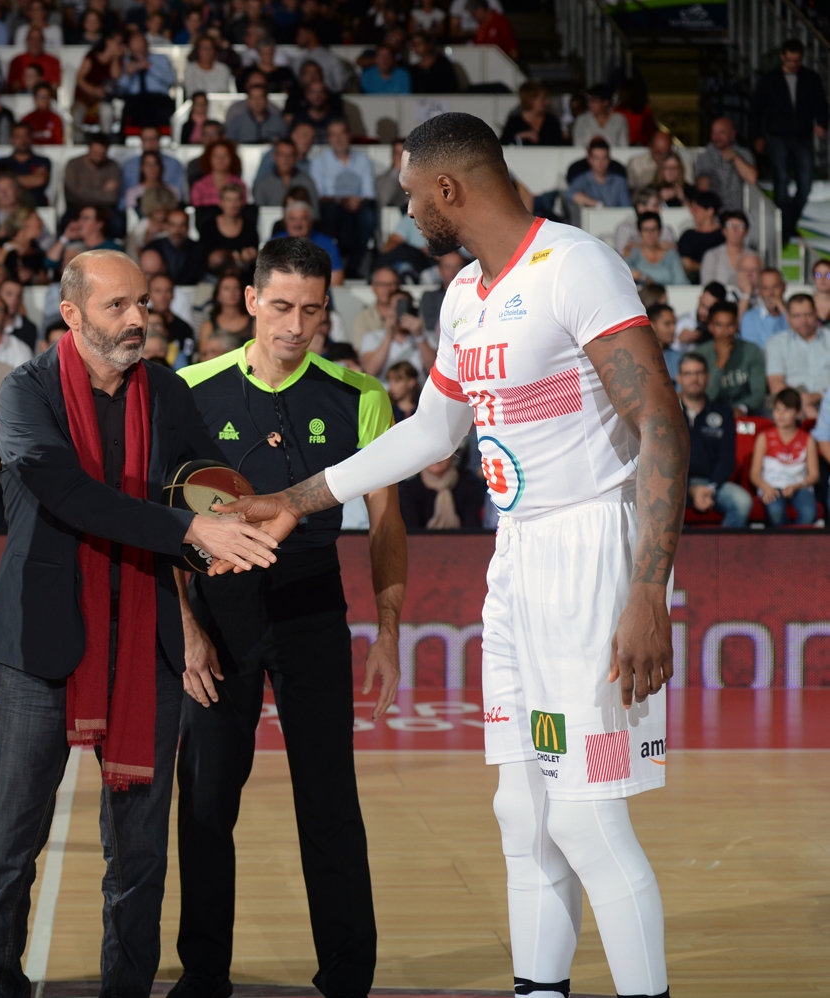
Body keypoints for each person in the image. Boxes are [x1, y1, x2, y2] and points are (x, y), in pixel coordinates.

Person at [218, 112, 684, 998]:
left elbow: (660, 417)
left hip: (592, 546)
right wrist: (297, 499)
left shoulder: (576, 266)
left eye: (407, 191)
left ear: (447, 189)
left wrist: (648, 589)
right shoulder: (465, 292)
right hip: (517, 555)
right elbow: (434, 429)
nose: (401, 207)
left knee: (586, 822)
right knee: (524, 814)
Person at [0, 248, 282, 998]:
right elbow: (72, 495)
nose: (139, 317)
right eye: (118, 306)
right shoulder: (25, 393)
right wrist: (187, 531)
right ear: (71, 315)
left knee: (140, 855)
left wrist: (242, 511)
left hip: (145, 647)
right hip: (39, 652)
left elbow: (208, 490)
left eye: (143, 302)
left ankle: (127, 990)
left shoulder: (166, 391)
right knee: (11, 842)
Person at [172, 237, 402, 998]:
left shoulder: (359, 396)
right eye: (280, 307)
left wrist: (389, 632)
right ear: (249, 302)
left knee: (330, 801)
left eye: (311, 309)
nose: (295, 325)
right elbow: (162, 520)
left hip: (312, 608)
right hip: (219, 611)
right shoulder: (189, 389)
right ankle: (203, 975)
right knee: (206, 803)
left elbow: (388, 524)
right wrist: (190, 631)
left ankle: (346, 978)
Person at [749, 39, 828, 245]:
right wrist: (757, 135)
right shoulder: (770, 80)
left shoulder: (811, 78)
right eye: (790, 60)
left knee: (806, 184)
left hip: (803, 138)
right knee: (781, 183)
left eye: (797, 60)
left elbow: (821, 104)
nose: (793, 64)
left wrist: (822, 124)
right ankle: (786, 229)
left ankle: (787, 225)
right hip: (778, 138)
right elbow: (756, 110)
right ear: (783, 57)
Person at [678, 352, 752, 527]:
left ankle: (723, 553)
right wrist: (690, 488)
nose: (694, 379)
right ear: (678, 378)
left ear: (707, 377)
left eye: (699, 373)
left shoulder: (723, 413)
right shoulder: (667, 413)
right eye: (688, 374)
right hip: (676, 485)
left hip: (714, 484)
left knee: (743, 502)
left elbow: (727, 459)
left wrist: (709, 489)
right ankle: (684, 553)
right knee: (659, 506)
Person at [309, 119, 376, 278]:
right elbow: (318, 196)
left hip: (357, 208)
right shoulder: (319, 161)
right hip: (331, 208)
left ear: (349, 135)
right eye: (333, 135)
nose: (338, 139)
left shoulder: (364, 161)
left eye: (342, 133)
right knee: (330, 211)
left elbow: (369, 193)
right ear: (328, 138)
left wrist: (357, 202)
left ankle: (352, 268)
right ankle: (329, 265)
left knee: (368, 215)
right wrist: (342, 200)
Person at [751, 387, 819, 526]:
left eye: (787, 410)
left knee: (809, 512)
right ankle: (782, 547)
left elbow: (814, 475)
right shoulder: (764, 437)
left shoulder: (808, 440)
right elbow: (754, 474)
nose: (781, 414)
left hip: (800, 488)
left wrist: (796, 486)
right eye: (777, 409)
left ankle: (797, 547)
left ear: (799, 413)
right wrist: (766, 487)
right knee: (775, 512)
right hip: (771, 487)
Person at [697, 298, 767, 417]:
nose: (726, 332)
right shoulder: (700, 354)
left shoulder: (751, 350)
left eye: (730, 325)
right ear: (710, 327)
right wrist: (720, 363)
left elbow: (759, 392)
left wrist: (742, 408)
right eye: (719, 325)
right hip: (709, 414)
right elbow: (703, 397)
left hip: (746, 413)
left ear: (737, 325)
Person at [766, 293, 830, 419]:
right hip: (792, 403)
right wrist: (804, 403)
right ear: (787, 317)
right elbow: (775, 384)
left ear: (816, 313)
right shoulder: (776, 343)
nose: (803, 321)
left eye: (808, 314)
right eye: (797, 316)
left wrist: (816, 396)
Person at [692, 116, 757, 215]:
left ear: (733, 134)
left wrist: (735, 157)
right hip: (715, 215)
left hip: (739, 214)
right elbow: (703, 190)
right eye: (713, 133)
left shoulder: (743, 153)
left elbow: (752, 178)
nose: (716, 137)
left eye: (721, 132)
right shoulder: (704, 157)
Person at [196, 183, 259, 274]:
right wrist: (239, 257)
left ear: (242, 203)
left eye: (237, 200)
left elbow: (254, 256)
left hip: (243, 276)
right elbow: (206, 259)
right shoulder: (208, 227)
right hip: (213, 277)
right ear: (221, 202)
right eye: (229, 200)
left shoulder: (249, 227)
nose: (233, 204)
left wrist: (250, 256)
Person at [146, 207, 208, 286]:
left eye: (182, 225)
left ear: (188, 226)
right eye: (173, 225)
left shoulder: (199, 249)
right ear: (166, 226)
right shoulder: (153, 248)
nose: (178, 230)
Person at [625, 212, 687, 287]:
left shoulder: (671, 255)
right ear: (639, 232)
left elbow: (681, 282)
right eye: (646, 230)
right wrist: (643, 277)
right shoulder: (633, 253)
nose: (650, 234)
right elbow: (625, 271)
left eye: (654, 229)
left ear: (660, 231)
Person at [567, 138, 631, 210]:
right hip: (589, 220)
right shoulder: (581, 179)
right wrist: (599, 205)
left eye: (604, 158)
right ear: (589, 160)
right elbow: (570, 194)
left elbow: (627, 208)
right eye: (596, 158)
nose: (600, 163)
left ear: (609, 159)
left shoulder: (620, 182)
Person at [254, 136, 317, 208]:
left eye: (289, 155)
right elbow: (259, 213)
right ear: (275, 157)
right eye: (282, 155)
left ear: (296, 157)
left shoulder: (307, 181)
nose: (285, 159)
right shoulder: (263, 183)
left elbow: (314, 213)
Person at [739, 267, 789, 350]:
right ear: (759, 291)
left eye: (775, 287)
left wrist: (783, 310)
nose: (771, 293)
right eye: (765, 288)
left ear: (784, 287)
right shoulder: (750, 318)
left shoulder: (797, 315)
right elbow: (752, 352)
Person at [500, 81, 564, 146]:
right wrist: (520, 136)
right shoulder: (514, 122)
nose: (547, 102)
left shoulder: (551, 121)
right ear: (531, 100)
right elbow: (503, 143)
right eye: (543, 99)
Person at [23, 80, 65, 144]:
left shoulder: (56, 119)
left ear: (50, 98)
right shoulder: (27, 119)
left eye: (46, 96)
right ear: (34, 98)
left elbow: (58, 143)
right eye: (40, 96)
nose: (43, 100)